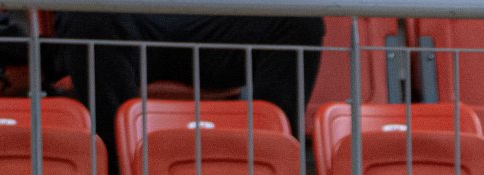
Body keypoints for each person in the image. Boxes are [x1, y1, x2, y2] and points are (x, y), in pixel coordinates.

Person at [49, 11, 325, 149]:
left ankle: (273, 161)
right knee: (89, 17)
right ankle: (117, 172)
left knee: (300, 22)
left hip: (212, 22)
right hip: (130, 22)